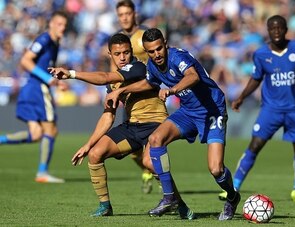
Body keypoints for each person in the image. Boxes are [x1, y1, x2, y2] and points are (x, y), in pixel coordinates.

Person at [49, 33, 195, 219]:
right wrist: (88, 144)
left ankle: (179, 203)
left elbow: (104, 76)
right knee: (95, 154)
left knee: (150, 162)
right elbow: (108, 116)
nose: (123, 57)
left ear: (132, 52)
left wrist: (71, 74)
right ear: (110, 54)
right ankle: (105, 206)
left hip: (156, 123)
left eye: (126, 52)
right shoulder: (113, 83)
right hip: (133, 126)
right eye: (117, 54)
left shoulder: (138, 67)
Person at [105, 28, 240, 221]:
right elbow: (149, 84)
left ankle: (233, 197)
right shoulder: (152, 65)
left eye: (159, 49)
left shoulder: (178, 57)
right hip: (188, 112)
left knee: (216, 169)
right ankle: (170, 198)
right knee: (155, 139)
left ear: (165, 44)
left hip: (212, 110)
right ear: (146, 51)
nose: (156, 54)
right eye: (151, 51)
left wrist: (173, 90)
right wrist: (121, 91)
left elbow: (193, 76)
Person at [218, 15, 295, 203]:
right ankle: (234, 187)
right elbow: (256, 78)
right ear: (268, 31)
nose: (276, 31)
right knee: (254, 146)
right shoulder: (261, 54)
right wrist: (241, 97)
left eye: (280, 28)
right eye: (272, 28)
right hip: (270, 110)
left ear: (286, 29)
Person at [0, 11, 68, 183]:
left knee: (37, 134)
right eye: (59, 24)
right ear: (51, 24)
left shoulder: (55, 42)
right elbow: (25, 60)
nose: (63, 28)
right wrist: (47, 79)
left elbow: (46, 66)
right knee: (51, 130)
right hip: (37, 88)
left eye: (65, 25)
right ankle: (42, 173)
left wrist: (57, 81)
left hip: (32, 88)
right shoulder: (44, 39)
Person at [115, 0, 154, 193]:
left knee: (152, 141)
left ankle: (163, 180)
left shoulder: (145, 34)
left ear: (134, 14)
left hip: (148, 95)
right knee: (132, 151)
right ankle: (147, 170)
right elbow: (113, 69)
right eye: (121, 15)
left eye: (127, 13)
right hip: (128, 96)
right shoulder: (117, 39)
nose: (124, 18)